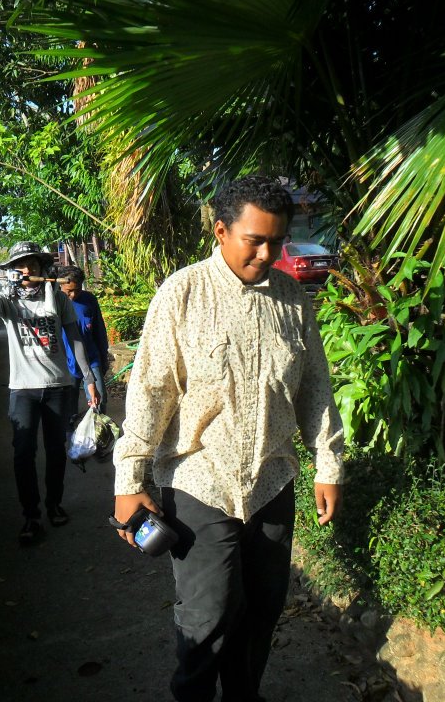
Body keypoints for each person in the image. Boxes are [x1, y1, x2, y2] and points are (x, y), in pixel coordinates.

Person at [111, 175, 345, 702]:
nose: (267, 253)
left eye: (278, 242)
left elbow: (315, 389)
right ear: (221, 231)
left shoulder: (292, 301)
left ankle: (244, 695)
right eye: (255, 240)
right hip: (199, 481)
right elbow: (150, 391)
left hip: (272, 481)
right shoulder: (183, 293)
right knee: (207, 615)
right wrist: (130, 480)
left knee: (262, 608)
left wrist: (328, 465)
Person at [0, 242, 99, 545]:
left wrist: (89, 378)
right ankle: (31, 515)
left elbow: (76, 339)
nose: (27, 271)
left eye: (33, 266)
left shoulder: (58, 297)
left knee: (55, 451)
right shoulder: (7, 300)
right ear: (13, 271)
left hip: (58, 388)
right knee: (23, 453)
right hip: (22, 390)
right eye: (20, 266)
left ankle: (54, 505)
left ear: (42, 269)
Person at [58, 265, 110, 413]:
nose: (73, 295)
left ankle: (98, 432)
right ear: (60, 285)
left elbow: (99, 330)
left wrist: (103, 357)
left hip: (91, 357)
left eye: (77, 290)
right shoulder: (55, 302)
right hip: (65, 361)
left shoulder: (89, 300)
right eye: (69, 291)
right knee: (68, 403)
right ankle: (70, 430)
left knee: (99, 400)